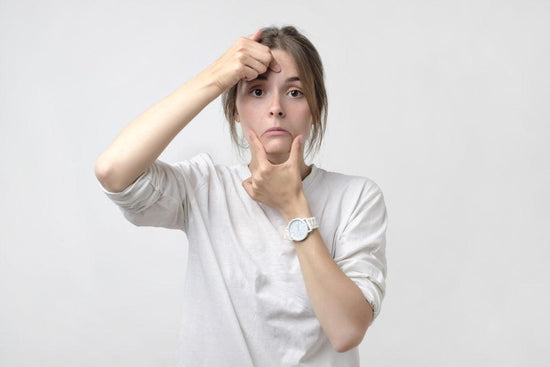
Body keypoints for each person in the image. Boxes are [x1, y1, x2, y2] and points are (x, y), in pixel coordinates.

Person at [94, 25, 387, 367]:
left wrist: (293, 207)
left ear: (316, 108)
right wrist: (218, 76)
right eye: (258, 91)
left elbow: (346, 330)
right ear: (235, 108)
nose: (276, 108)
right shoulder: (204, 187)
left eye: (295, 93)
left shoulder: (356, 197)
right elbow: (112, 170)